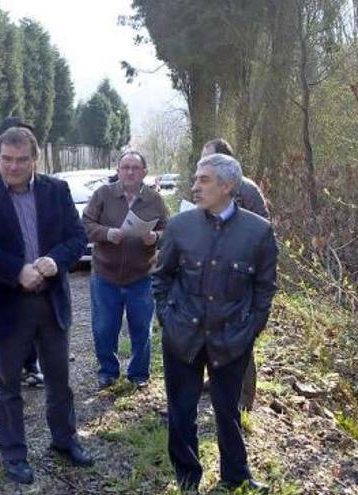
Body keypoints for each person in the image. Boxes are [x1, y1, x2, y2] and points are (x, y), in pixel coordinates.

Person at [0, 127, 93, 485]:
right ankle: (14, 455)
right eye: (6, 159)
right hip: (7, 304)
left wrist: (55, 261)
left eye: (21, 160)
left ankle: (65, 441)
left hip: (50, 303)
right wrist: (14, 271)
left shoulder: (56, 190)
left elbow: (77, 238)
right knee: (7, 388)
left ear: (35, 159)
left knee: (59, 382)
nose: (13, 167)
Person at [153, 153, 278, 494]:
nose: (195, 187)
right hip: (183, 335)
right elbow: (160, 279)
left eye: (203, 180)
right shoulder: (180, 226)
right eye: (195, 179)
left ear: (228, 186)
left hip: (232, 337)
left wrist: (251, 328)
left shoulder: (258, 232)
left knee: (228, 411)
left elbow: (265, 288)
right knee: (181, 411)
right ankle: (187, 479)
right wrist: (168, 319)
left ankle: (235, 475)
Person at [82, 151, 168, 390]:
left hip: (142, 275)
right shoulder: (103, 194)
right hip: (105, 274)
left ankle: (139, 374)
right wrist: (107, 233)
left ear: (144, 173)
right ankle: (108, 371)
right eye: (125, 167)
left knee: (142, 328)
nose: (130, 172)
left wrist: (155, 237)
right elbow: (86, 224)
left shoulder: (154, 199)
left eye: (135, 168)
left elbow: (169, 231)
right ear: (118, 171)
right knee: (104, 327)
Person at [200, 138, 270, 411]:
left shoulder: (247, 189)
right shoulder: (205, 189)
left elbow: (264, 231)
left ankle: (245, 396)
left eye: (207, 158)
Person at [0, 116, 43, 388]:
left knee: (30, 323)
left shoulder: (41, 183)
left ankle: (27, 366)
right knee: (0, 329)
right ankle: (0, 379)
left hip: (34, 272)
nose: (16, 164)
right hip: (3, 274)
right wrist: (13, 268)